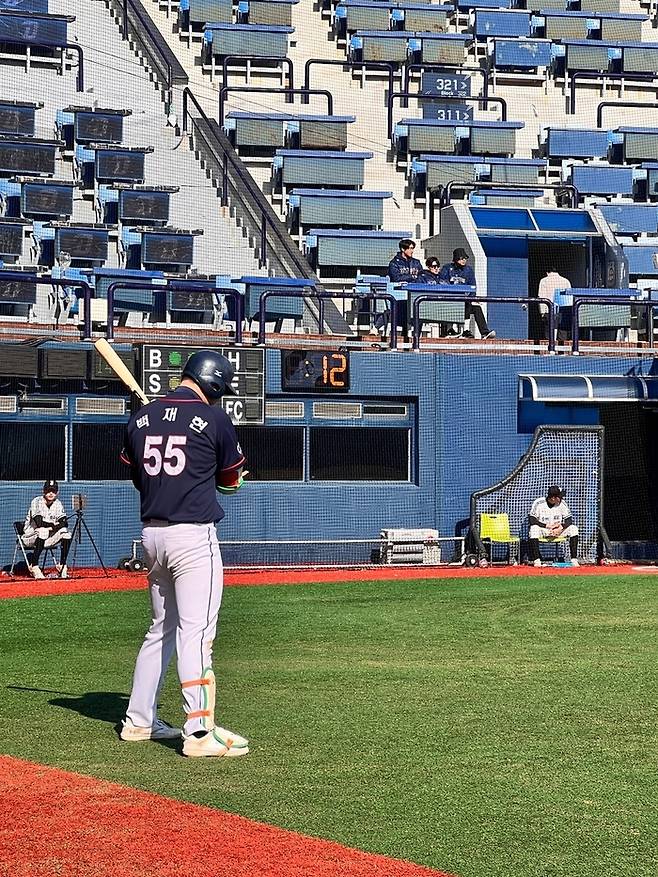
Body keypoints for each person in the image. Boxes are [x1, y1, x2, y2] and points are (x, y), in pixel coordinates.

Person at [119, 350, 249, 758]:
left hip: (152, 537)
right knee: (197, 635)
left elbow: (139, 475)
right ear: (212, 383)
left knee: (160, 630)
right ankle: (198, 733)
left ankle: (139, 721)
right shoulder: (214, 420)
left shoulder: (140, 419)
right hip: (193, 538)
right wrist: (227, 479)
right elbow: (230, 482)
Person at [437, 248, 495, 339]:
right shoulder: (447, 268)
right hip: (449, 301)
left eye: (465, 258)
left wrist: (471, 298)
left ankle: (482, 332)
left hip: (464, 302)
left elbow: (473, 286)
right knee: (459, 304)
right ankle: (449, 330)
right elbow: (441, 282)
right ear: (456, 259)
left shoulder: (468, 270)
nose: (464, 260)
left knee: (476, 308)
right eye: (461, 258)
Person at [22, 479, 72, 580]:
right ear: (43, 491)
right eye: (48, 490)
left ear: (57, 492)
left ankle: (62, 565)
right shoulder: (36, 501)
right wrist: (54, 526)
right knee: (43, 530)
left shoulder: (57, 503)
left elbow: (64, 522)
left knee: (66, 533)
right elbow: (39, 523)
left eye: (53, 491)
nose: (50, 493)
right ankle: (34, 566)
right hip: (30, 537)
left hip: (46, 537)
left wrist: (51, 527)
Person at [527, 485, 580, 567]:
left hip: (558, 531)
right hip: (544, 530)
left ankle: (574, 560)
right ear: (553, 498)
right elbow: (532, 519)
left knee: (573, 529)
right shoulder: (539, 503)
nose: (561, 498)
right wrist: (546, 526)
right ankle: (537, 560)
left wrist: (560, 528)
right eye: (559, 497)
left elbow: (569, 520)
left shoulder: (562, 503)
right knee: (533, 529)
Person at [538, 267, 571, 341]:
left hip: (549, 311)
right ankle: (562, 351)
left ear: (547, 272)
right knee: (563, 336)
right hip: (563, 311)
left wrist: (542, 313)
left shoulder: (544, 281)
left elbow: (542, 297)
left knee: (550, 336)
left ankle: (550, 351)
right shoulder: (565, 281)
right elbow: (569, 297)